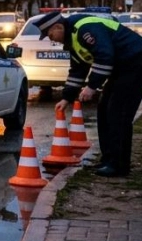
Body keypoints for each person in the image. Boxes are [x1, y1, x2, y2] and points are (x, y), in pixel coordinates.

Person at [38, 10, 142, 177]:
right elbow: (78, 70)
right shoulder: (72, 38)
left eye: (51, 35)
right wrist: (66, 98)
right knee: (104, 111)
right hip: (122, 68)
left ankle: (119, 166)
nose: (52, 40)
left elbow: (105, 55)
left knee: (118, 114)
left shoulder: (84, 29)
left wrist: (92, 87)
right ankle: (108, 159)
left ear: (58, 26)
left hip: (135, 63)